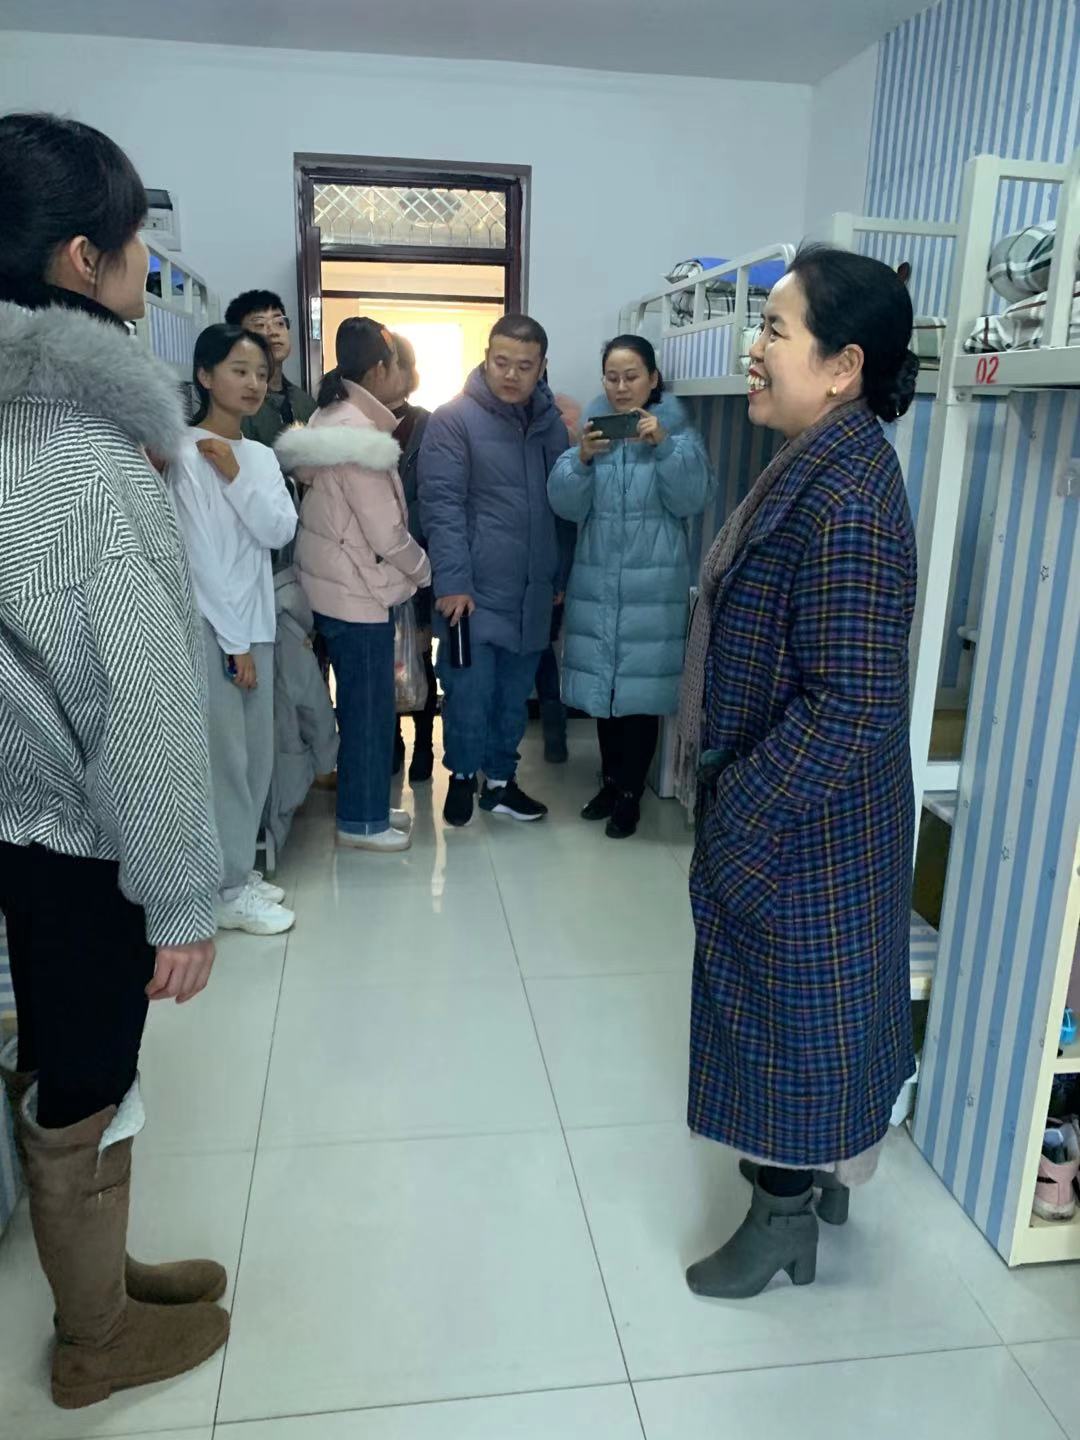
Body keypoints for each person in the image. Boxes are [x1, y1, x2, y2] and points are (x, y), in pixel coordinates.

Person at [0, 113, 229, 1409]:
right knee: (91, 1064)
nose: (147, 263)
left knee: (62, 1043)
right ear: (83, 259)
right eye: (137, 241)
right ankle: (94, 1341)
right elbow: (139, 696)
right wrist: (184, 897)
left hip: (15, 809)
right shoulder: (82, 453)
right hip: (76, 825)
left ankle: (101, 1281)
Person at [674, 244, 920, 1299]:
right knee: (808, 1017)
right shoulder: (820, 459)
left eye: (775, 329)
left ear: (843, 365)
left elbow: (853, 704)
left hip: (803, 822)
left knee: (786, 1020)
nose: (754, 348)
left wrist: (740, 807)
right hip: (803, 812)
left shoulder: (848, 498)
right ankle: (818, 1185)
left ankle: (781, 1221)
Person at [275, 318, 430, 852]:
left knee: (364, 707)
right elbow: (386, 533)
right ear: (380, 370)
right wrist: (423, 570)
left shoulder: (329, 416)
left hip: (332, 586)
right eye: (399, 365)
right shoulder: (360, 439)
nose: (403, 375)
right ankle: (362, 822)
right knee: (368, 712)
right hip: (356, 595)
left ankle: (368, 807)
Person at [549, 336, 712, 835]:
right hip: (598, 580)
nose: (621, 387)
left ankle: (629, 794)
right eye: (612, 377)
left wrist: (664, 447)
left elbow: (692, 499)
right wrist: (581, 459)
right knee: (606, 691)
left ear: (653, 379)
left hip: (653, 585)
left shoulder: (679, 437)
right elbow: (565, 505)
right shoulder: (592, 434)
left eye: (632, 376)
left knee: (640, 695)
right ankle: (609, 782)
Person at [168, 324, 299, 935]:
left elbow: (279, 531)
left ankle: (239, 871)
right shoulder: (183, 451)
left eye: (261, 374)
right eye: (238, 370)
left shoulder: (260, 456)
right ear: (205, 376)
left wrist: (236, 475)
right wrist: (234, 643)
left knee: (255, 759)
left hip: (257, 623)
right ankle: (224, 888)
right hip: (214, 627)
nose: (252, 384)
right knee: (226, 760)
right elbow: (198, 557)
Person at [418, 314, 569, 828]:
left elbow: (563, 507)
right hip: (472, 593)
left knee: (512, 697)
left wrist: (559, 576)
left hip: (532, 591)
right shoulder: (453, 419)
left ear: (541, 367)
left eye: (525, 366)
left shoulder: (551, 426)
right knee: (468, 690)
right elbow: (441, 505)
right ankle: (463, 775)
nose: (511, 374)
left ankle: (500, 783)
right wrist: (453, 581)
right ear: (486, 358)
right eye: (502, 362)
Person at [390, 332, 437, 785]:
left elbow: (437, 493)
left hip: (420, 555)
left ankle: (424, 743)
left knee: (420, 653)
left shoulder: (428, 423)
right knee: (381, 656)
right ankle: (393, 740)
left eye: (397, 363)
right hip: (372, 564)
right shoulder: (356, 423)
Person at [222, 288, 316, 446]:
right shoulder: (234, 404)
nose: (273, 332)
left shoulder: (305, 402)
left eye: (279, 323)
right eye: (260, 324)